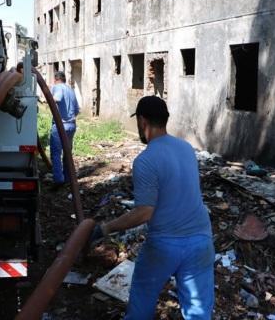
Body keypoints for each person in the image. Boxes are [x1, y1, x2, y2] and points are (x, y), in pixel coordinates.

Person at [89, 96, 214, 320]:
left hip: (165, 244)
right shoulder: (186, 148)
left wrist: (105, 228)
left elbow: (144, 212)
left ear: (142, 121)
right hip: (201, 241)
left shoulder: (146, 160)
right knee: (198, 312)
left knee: (142, 301)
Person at [50, 70, 79, 188]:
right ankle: (67, 178)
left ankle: (58, 180)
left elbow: (57, 99)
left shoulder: (58, 87)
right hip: (71, 125)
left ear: (56, 80)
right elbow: (77, 110)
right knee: (67, 152)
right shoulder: (71, 90)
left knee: (56, 153)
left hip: (59, 125)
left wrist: (48, 99)